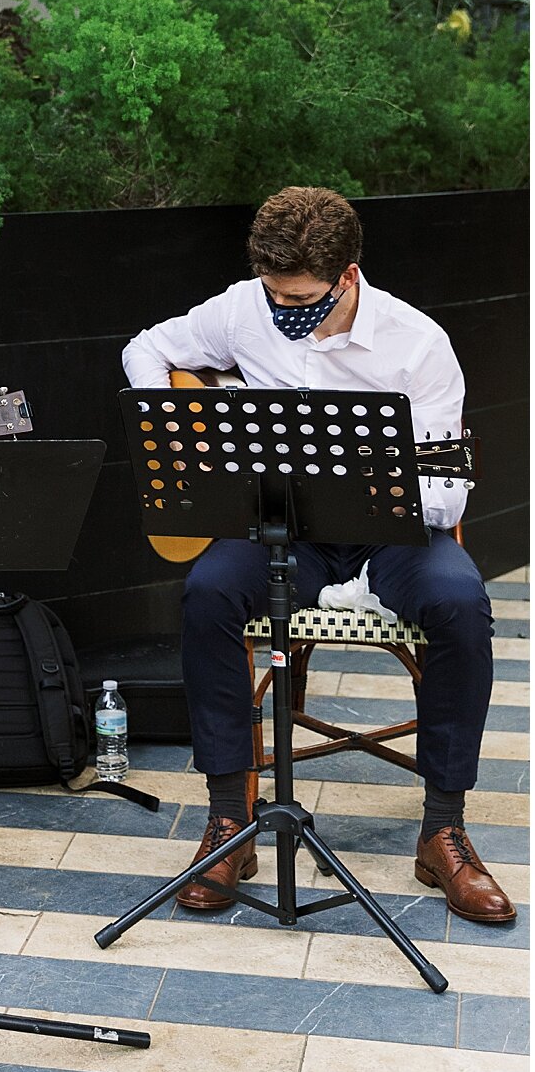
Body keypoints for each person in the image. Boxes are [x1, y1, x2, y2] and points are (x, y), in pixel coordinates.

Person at [122, 184, 514, 926]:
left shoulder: (418, 342)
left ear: (348, 274)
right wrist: (180, 420)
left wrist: (371, 482)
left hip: (394, 532)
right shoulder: (244, 307)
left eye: (299, 298)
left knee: (461, 602)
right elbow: (148, 346)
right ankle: (230, 824)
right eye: (275, 294)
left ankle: (444, 830)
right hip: (282, 531)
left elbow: (448, 497)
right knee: (209, 592)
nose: (283, 311)